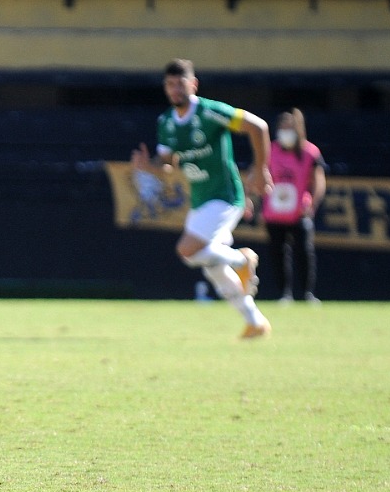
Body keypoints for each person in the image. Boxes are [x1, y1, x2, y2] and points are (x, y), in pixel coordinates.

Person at [130, 59, 273, 339]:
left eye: (180, 83)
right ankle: (255, 321)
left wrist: (260, 169)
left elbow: (259, 127)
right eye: (169, 85)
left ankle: (242, 261)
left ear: (192, 84)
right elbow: (169, 164)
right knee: (212, 268)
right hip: (200, 200)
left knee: (187, 250)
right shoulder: (167, 122)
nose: (174, 90)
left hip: (225, 195)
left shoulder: (210, 112)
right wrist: (150, 166)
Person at [261, 109, 326, 304]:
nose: (285, 132)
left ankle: (307, 293)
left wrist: (312, 203)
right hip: (274, 213)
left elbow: (318, 180)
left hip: (299, 212)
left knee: (304, 253)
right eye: (282, 128)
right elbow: (259, 174)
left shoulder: (309, 152)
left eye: (289, 128)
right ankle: (284, 294)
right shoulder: (270, 150)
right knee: (278, 255)